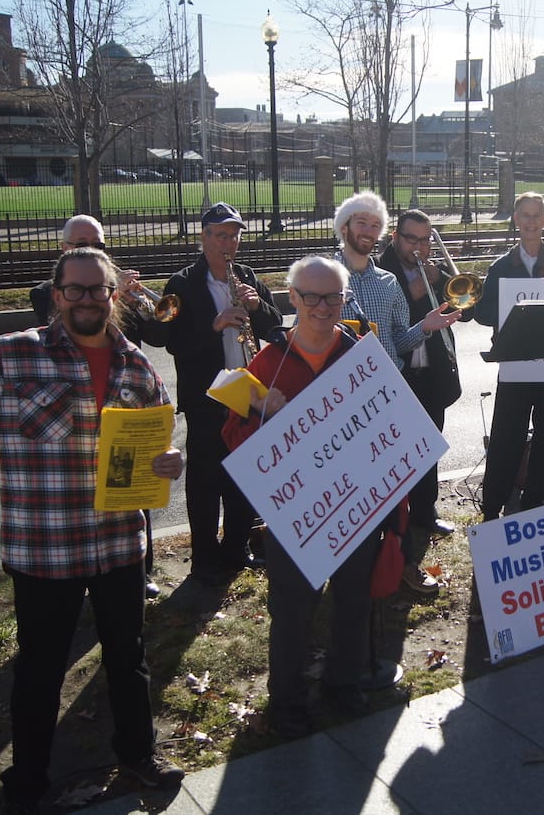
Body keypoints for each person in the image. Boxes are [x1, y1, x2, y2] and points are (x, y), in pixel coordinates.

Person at [0, 249, 185, 811]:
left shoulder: (135, 365)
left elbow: (160, 431)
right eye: (74, 290)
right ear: (57, 296)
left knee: (128, 661)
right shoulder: (12, 357)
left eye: (96, 289)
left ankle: (138, 757)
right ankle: (27, 781)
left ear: (113, 295)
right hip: (45, 551)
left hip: (120, 544)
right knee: (40, 672)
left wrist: (169, 460)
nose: (85, 299)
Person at [221, 256, 380, 735]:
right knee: (292, 609)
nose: (323, 306)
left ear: (345, 298)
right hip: (294, 513)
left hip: (356, 503)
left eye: (333, 296)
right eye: (311, 296)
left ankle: (343, 682)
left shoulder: (361, 352)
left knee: (353, 599)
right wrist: (264, 417)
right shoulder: (262, 364)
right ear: (292, 299)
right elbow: (231, 438)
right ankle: (287, 701)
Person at [31, 214, 166, 599]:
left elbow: (160, 333)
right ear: (64, 249)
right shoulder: (48, 291)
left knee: (133, 491)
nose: (90, 249)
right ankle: (79, 580)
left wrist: (130, 296)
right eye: (80, 243)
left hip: (122, 404)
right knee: (78, 498)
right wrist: (94, 290)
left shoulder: (118, 291)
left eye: (98, 244)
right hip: (72, 414)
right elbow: (53, 321)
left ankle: (140, 571)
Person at [333, 193, 460, 594]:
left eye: (374, 225)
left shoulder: (386, 282)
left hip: (388, 397)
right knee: (354, 492)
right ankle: (352, 573)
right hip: (345, 403)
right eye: (361, 224)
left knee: (394, 491)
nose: (368, 232)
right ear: (344, 227)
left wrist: (427, 324)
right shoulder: (324, 275)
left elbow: (399, 341)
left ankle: (396, 566)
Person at [154, 202, 283, 583]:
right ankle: (206, 555)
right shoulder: (182, 284)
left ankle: (237, 547)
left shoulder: (245, 274)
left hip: (246, 389)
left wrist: (258, 307)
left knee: (244, 473)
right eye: (221, 235)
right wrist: (214, 324)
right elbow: (170, 341)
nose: (229, 243)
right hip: (207, 394)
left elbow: (275, 326)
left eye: (234, 235)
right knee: (206, 478)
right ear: (204, 237)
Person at [378, 209, 469, 590]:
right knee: (398, 454)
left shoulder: (434, 270)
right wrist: (415, 294)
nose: (418, 247)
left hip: (432, 374)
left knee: (429, 446)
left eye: (425, 240)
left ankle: (425, 512)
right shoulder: (381, 269)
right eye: (412, 239)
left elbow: (466, 310)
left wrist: (441, 279)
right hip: (399, 374)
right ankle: (394, 525)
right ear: (396, 236)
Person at [473, 191, 544, 520]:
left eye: (537, 215)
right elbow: (483, 312)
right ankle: (492, 509)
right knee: (506, 441)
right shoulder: (500, 266)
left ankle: (534, 506)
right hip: (515, 368)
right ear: (515, 219)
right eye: (525, 215)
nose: (531, 222)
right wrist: (511, 308)